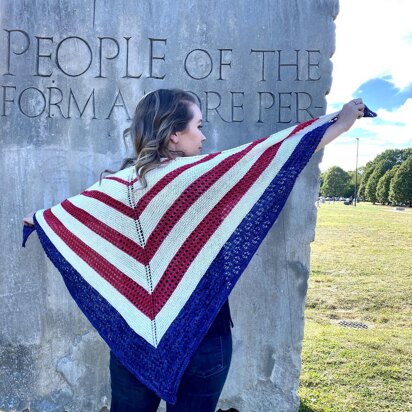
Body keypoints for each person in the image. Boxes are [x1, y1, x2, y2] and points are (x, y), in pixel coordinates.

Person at [23, 89, 367, 412]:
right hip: (205, 339)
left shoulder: (117, 188)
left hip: (133, 342)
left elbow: (66, 215)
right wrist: (340, 123)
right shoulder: (204, 174)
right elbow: (277, 153)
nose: (203, 137)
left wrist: (38, 220)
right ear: (175, 134)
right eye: (198, 127)